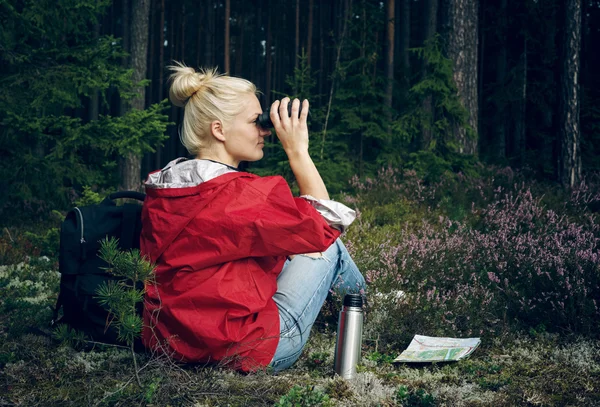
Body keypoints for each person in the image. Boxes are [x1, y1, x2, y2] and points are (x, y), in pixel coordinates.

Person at [140, 63, 366, 372]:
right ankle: (366, 304)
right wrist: (298, 151)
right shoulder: (239, 195)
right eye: (255, 121)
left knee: (292, 250)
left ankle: (359, 303)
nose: (264, 130)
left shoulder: (164, 189)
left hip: (172, 344)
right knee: (329, 249)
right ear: (218, 129)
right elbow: (324, 225)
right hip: (245, 349)